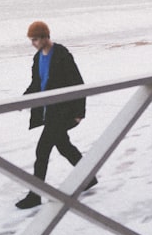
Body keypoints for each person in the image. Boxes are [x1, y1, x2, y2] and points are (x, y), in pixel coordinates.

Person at [16, 20, 96, 209]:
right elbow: (37, 83)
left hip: (64, 111)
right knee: (64, 146)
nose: (33, 43)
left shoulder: (61, 55)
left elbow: (78, 83)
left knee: (42, 150)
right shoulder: (38, 58)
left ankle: (35, 195)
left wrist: (79, 112)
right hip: (48, 111)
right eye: (31, 40)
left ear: (45, 37)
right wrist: (23, 100)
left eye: (35, 39)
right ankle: (89, 178)